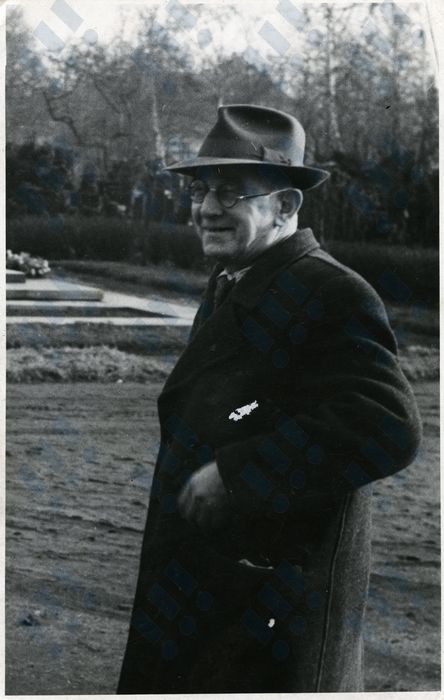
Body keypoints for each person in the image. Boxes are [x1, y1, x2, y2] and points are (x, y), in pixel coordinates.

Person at [117, 104, 421, 693]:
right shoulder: (236, 279)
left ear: (285, 205)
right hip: (215, 597)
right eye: (201, 190)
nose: (207, 208)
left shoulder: (329, 291)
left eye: (231, 192)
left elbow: (388, 424)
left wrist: (239, 474)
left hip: (269, 614)